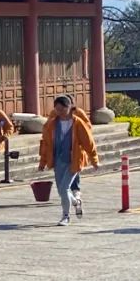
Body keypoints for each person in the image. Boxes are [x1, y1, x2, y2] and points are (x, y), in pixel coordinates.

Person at [38, 94, 99, 226]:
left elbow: (88, 142)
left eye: (62, 109)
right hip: (58, 159)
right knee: (61, 190)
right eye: (57, 109)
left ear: (69, 107)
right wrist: (43, 161)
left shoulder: (78, 122)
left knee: (65, 188)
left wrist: (94, 160)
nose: (60, 112)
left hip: (74, 159)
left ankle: (66, 216)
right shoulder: (52, 124)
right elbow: (46, 144)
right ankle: (76, 202)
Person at [66, 95, 92, 217]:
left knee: (73, 175)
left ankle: (76, 195)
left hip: (75, 150)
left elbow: (88, 127)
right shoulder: (57, 114)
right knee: (63, 182)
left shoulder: (78, 113)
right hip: (62, 151)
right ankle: (75, 199)